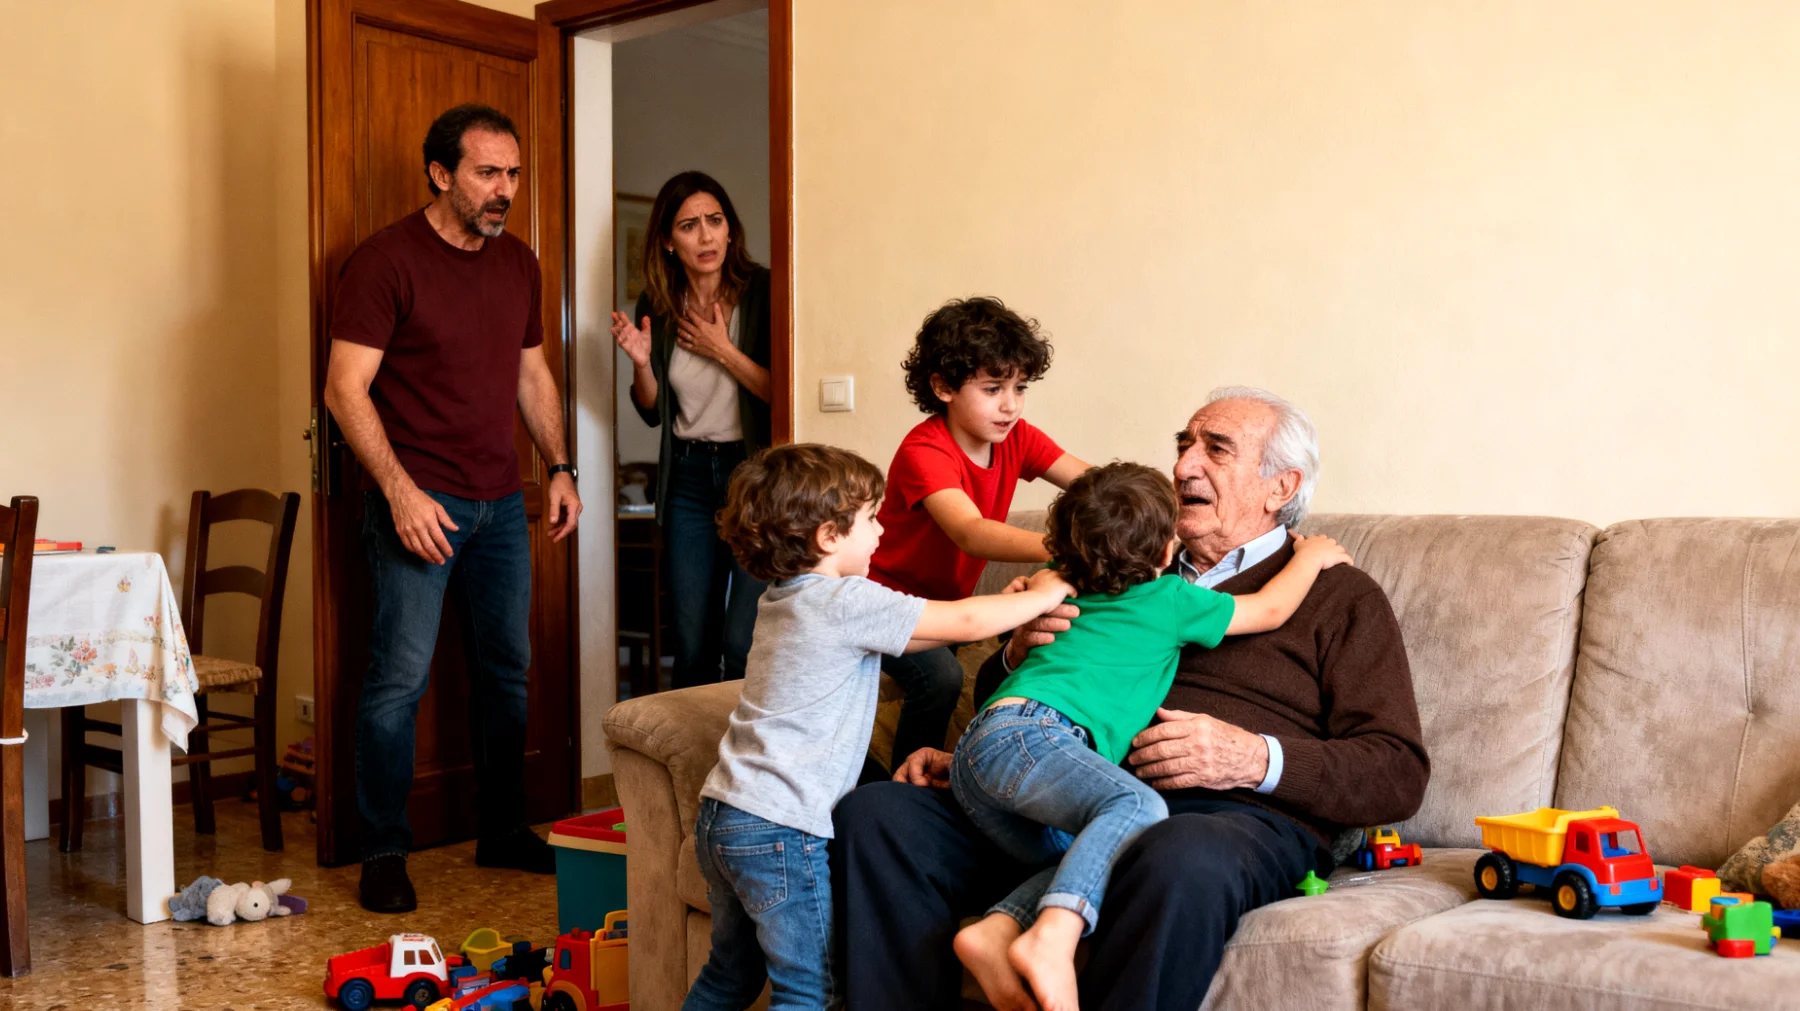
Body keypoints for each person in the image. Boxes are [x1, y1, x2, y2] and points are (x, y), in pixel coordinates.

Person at [834, 387, 1431, 1011]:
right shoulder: (1118, 560)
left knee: (1178, 852)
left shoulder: (1337, 593)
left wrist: (1253, 757)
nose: (1183, 466)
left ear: (1280, 487)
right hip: (1069, 796)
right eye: (1183, 445)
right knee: (880, 815)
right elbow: (1015, 694)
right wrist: (1003, 687)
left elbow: (1396, 770)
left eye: (1215, 449)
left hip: (1224, 817)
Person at [683, 444, 1077, 1010]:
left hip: (724, 815)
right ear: (828, 537)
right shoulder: (846, 600)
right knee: (808, 989)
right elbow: (964, 620)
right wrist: (1045, 592)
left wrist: (1009, 604)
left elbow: (935, 630)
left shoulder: (784, 599)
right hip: (781, 828)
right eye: (871, 519)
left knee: (729, 975)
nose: (881, 532)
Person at [947, 462, 1352, 1010]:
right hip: (1039, 735)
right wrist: (1310, 556)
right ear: (1167, 551)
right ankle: (1052, 938)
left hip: (985, 751)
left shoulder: (1058, 579)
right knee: (1138, 808)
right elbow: (1271, 608)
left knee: (1101, 847)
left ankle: (997, 931)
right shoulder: (1169, 599)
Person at [324, 103, 582, 914]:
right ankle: (383, 848)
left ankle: (502, 828)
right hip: (419, 502)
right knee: (398, 680)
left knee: (507, 672)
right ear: (441, 174)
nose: (504, 189)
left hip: (502, 503)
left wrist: (560, 466)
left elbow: (531, 374)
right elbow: (344, 389)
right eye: (487, 173)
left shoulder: (519, 264)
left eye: (513, 173)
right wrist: (399, 491)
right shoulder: (385, 261)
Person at [867, 297, 1089, 772]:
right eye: (993, 388)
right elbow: (970, 532)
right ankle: (906, 787)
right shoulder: (924, 450)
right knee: (941, 677)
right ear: (943, 387)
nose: (1010, 405)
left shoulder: (1019, 437)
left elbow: (1095, 484)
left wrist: (1146, 503)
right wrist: (1070, 548)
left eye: (1019, 387)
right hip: (886, 601)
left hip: (947, 606)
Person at [612, 172, 772, 689]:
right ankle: (691, 744)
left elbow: (782, 393)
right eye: (688, 225)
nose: (705, 236)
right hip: (687, 477)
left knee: (742, 641)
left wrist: (723, 351)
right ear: (667, 240)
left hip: (753, 477)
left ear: (730, 230)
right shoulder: (657, 305)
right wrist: (641, 364)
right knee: (692, 642)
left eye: (714, 220)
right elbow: (653, 409)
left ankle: (743, 744)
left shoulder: (764, 291)